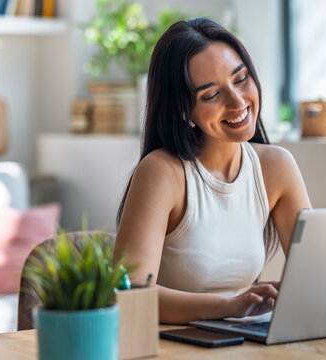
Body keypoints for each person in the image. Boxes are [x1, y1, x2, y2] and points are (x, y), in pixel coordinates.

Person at [114, 17, 311, 324]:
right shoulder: (162, 172)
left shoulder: (276, 166)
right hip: (173, 347)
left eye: (241, 79)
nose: (237, 102)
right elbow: (128, 294)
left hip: (243, 342)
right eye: (211, 95)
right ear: (183, 108)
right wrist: (231, 306)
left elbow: (318, 276)